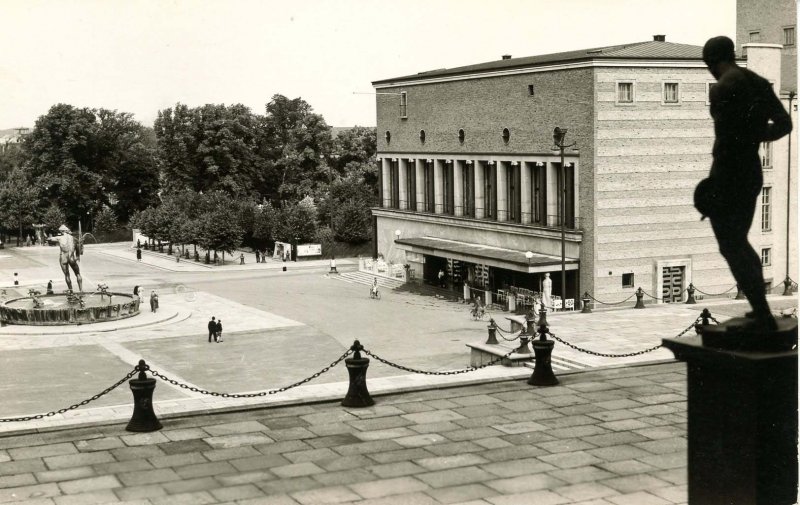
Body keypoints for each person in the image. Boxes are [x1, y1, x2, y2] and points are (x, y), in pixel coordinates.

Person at [697, 36, 792, 331]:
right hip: (751, 171)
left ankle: (762, 313)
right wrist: (754, 136)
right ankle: (760, 308)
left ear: (714, 61)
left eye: (709, 65)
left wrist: (713, 186)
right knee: (739, 241)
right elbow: (784, 124)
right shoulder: (758, 82)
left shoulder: (723, 88)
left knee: (731, 244)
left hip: (728, 173)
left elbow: (725, 140)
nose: (710, 71)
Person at [46, 225, 83, 293]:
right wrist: (77, 257)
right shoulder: (74, 239)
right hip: (71, 257)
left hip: (63, 258)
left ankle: (71, 290)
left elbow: (49, 239)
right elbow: (79, 251)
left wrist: (48, 236)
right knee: (78, 274)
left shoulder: (59, 238)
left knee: (67, 275)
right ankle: (81, 290)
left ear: (62, 232)